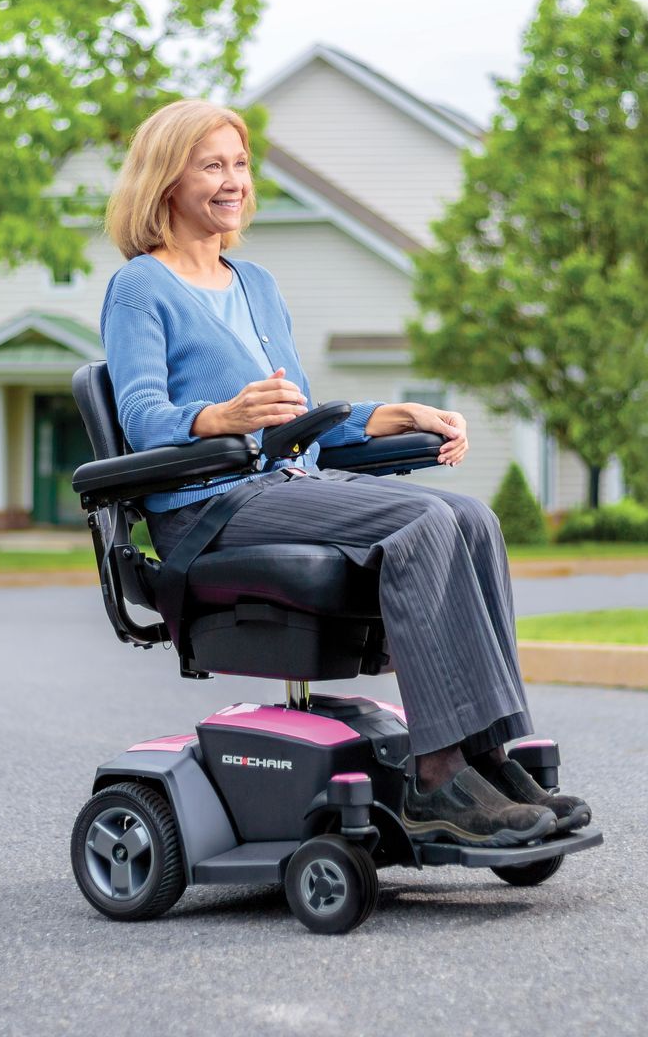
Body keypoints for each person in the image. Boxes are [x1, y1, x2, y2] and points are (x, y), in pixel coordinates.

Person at [98, 99, 591, 848]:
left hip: (288, 485)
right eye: (212, 165)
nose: (233, 181)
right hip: (210, 509)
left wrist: (399, 416)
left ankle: (490, 760)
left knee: (470, 517)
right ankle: (438, 779)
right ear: (167, 179)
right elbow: (140, 417)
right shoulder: (141, 287)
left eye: (239, 163)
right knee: (422, 522)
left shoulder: (256, 283)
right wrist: (223, 418)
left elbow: (302, 423)